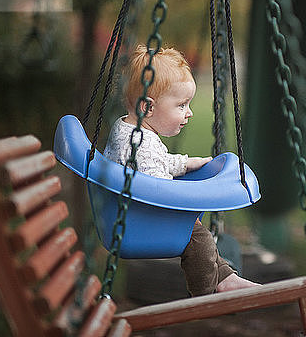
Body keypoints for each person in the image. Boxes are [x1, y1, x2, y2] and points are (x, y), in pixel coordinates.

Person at [104, 44, 259, 296]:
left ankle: (226, 277)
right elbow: (158, 189)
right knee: (199, 237)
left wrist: (186, 163)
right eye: (181, 105)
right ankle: (205, 293)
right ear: (147, 107)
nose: (189, 113)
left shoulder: (132, 130)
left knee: (200, 235)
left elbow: (159, 161)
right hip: (140, 221)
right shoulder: (138, 144)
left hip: (134, 212)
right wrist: (190, 199)